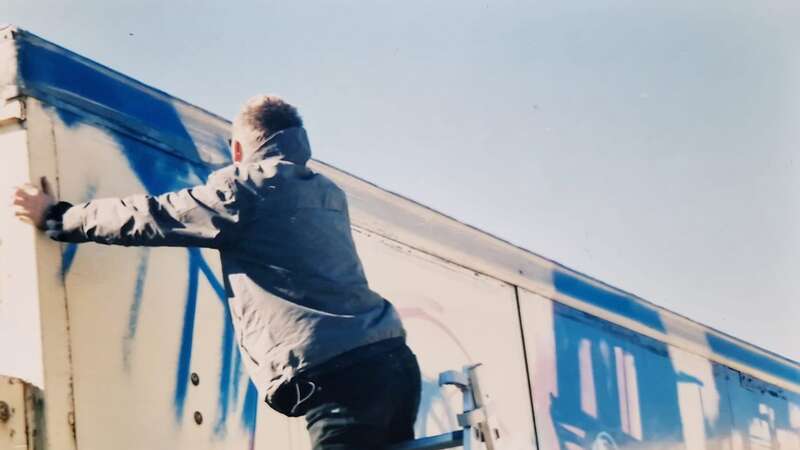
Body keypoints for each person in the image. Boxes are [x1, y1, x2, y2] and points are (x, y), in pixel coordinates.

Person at [12, 95, 421, 449]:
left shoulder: (245, 189)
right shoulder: (328, 192)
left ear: (238, 149)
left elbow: (153, 216)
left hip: (340, 377)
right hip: (395, 363)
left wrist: (58, 216)